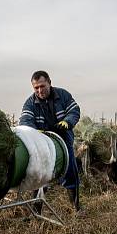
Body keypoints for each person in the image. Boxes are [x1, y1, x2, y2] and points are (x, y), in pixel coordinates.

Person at [19, 70, 81, 210]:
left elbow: (74, 110)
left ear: (49, 83)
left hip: (63, 139)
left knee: (70, 171)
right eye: (36, 87)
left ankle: (76, 207)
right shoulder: (30, 103)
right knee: (40, 175)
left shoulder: (63, 95)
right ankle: (36, 210)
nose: (40, 90)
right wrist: (34, 131)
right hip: (42, 144)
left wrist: (67, 122)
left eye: (42, 86)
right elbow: (25, 120)